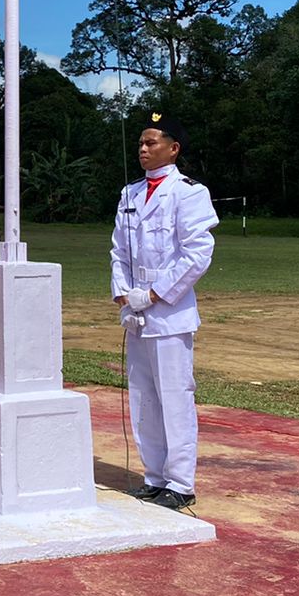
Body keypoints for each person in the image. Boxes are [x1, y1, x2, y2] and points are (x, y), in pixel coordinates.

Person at [110, 112, 219, 512]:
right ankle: (154, 476)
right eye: (140, 142)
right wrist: (124, 296)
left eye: (152, 142)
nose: (143, 148)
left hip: (169, 313)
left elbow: (197, 254)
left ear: (173, 148)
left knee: (174, 397)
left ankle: (180, 481)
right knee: (143, 398)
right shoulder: (130, 194)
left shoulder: (189, 192)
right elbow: (119, 251)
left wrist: (154, 294)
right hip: (137, 312)